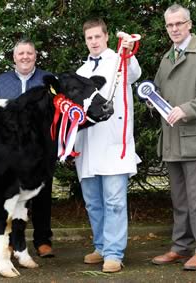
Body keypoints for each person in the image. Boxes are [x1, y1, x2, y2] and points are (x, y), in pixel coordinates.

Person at [151, 4, 196, 271]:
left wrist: (186, 109)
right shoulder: (166, 57)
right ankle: (181, 247)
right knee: (180, 199)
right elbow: (157, 91)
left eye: (179, 24)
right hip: (173, 141)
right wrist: (152, 100)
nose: (174, 29)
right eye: (170, 25)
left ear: (189, 24)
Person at [74, 18, 141, 273]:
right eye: (89, 38)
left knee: (114, 200)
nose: (93, 42)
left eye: (97, 37)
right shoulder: (80, 72)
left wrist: (127, 47)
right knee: (93, 202)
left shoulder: (120, 61)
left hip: (114, 145)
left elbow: (135, 73)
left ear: (106, 36)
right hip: (88, 146)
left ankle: (114, 253)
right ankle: (101, 246)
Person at [0, 39, 54, 258]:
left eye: (29, 53)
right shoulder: (0, 81)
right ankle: (15, 242)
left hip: (40, 151)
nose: (25, 57)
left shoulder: (48, 81)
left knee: (42, 195)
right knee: (11, 197)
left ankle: (43, 241)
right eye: (21, 53)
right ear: (14, 57)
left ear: (36, 56)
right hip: (10, 154)